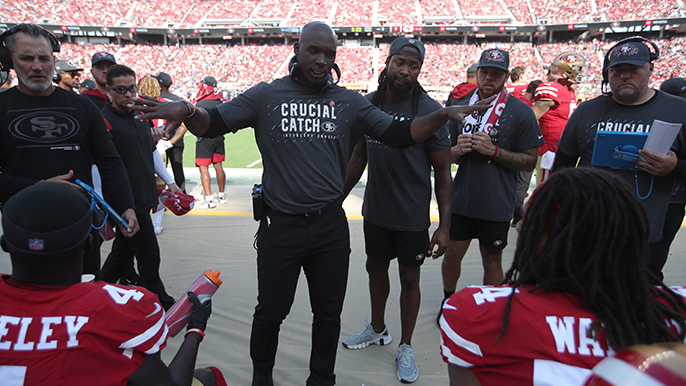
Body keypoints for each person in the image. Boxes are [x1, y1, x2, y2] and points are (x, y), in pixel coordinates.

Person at [131, 21, 493, 386]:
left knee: (328, 315)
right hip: (280, 226)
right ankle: (262, 378)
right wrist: (190, 112)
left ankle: (322, 379)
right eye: (314, 51)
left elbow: (400, 135)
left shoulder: (350, 102)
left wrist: (442, 115)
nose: (322, 60)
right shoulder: (266, 96)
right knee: (270, 313)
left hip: (329, 228)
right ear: (296, 48)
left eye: (330, 54)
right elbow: (215, 123)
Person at [439, 167, 686, 386]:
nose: (521, 226)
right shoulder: (676, 309)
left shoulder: (476, 313)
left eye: (532, 221)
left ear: (560, 241)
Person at [0, 181, 227, 386]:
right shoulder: (130, 307)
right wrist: (196, 330)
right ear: (89, 243)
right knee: (209, 376)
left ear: (5, 244)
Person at [340, 37, 452, 384]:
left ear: (420, 70)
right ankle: (377, 328)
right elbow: (358, 157)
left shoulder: (431, 111)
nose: (405, 70)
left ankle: (405, 344)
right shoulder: (368, 104)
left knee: (410, 278)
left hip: (411, 217)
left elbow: (444, 175)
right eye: (399, 62)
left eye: (413, 65)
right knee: (375, 268)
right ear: (387, 63)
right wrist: (335, 201)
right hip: (375, 212)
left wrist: (444, 226)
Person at [0, 23, 139, 278]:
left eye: (44, 58)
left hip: (79, 227)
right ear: (10, 61)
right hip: (25, 229)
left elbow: (110, 162)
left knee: (83, 300)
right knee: (36, 305)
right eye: (26, 58)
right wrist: (41, 186)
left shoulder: (83, 107)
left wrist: (126, 206)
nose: (37, 66)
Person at [552, 38, 686, 284]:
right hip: (589, 228)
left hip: (646, 232)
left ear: (650, 69)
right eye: (617, 71)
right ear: (607, 74)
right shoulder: (587, 111)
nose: (625, 76)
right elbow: (563, 166)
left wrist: (674, 167)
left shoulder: (679, 110)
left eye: (633, 69)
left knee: (637, 302)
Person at [438, 48, 542, 324]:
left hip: (496, 203)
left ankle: (490, 311)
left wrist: (494, 151)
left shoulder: (520, 112)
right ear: (477, 72)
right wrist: (456, 152)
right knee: (451, 256)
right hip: (460, 199)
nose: (489, 77)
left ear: (506, 76)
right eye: (485, 71)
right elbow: (441, 155)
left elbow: (530, 161)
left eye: (497, 73)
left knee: (492, 260)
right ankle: (448, 301)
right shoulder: (457, 104)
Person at [99, 64, 181, 310]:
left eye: (131, 87)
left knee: (122, 254)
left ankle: (95, 296)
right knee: (148, 255)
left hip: (143, 195)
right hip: (125, 201)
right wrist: (106, 205)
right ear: (108, 90)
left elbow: (149, 153)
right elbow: (101, 165)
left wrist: (170, 182)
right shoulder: (103, 120)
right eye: (121, 89)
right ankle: (161, 304)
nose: (128, 94)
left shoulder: (138, 115)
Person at [646, 77, 686, 287]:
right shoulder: (653, 116)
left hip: (673, 200)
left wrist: (676, 167)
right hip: (649, 196)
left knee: (654, 260)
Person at [532, 51, 585, 185]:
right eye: (578, 68)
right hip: (549, 150)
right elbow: (531, 116)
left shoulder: (569, 90)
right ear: (567, 70)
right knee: (546, 189)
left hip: (563, 148)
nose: (581, 72)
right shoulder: (552, 88)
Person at [193, 76, 228, 208]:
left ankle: (209, 199)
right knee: (219, 167)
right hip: (219, 137)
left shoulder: (200, 104)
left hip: (204, 139)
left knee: (204, 169)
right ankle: (222, 195)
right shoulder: (221, 101)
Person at [154, 71, 188, 193]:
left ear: (161, 85)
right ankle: (182, 195)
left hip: (161, 139)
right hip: (177, 139)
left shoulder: (159, 100)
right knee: (177, 168)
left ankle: (162, 199)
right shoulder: (179, 100)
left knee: (160, 170)